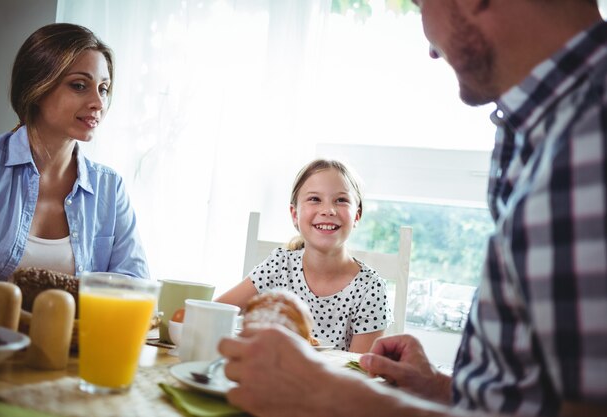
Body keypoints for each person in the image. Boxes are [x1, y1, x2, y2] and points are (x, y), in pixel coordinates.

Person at [218, 1, 607, 416]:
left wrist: (334, 397)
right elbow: (537, 395)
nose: (432, 50)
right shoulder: (543, 127)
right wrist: (440, 388)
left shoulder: (588, 138)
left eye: (422, 2)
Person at [0, 23, 149, 281]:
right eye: (79, 85)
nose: (98, 103)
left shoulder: (109, 188)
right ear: (37, 88)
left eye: (103, 88)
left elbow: (135, 289)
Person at [216, 159, 391, 353]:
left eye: (341, 200)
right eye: (315, 199)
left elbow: (360, 373)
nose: (328, 210)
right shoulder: (280, 264)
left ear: (356, 216)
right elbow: (214, 314)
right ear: (294, 214)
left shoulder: (370, 289)